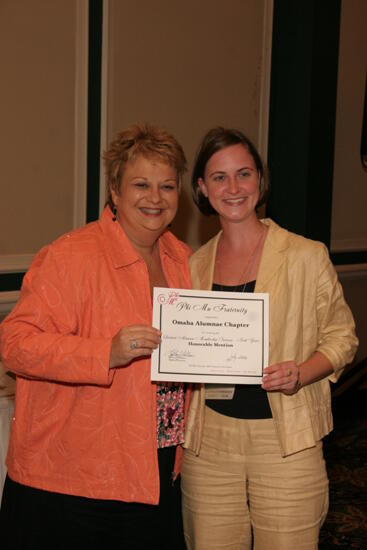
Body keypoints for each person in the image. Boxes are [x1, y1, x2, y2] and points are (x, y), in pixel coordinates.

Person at [0, 123, 191, 549]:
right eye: (141, 184)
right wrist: (104, 351)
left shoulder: (184, 261)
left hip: (157, 467)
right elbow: (14, 343)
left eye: (167, 186)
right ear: (115, 190)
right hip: (76, 479)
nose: (155, 198)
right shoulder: (71, 256)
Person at [181, 127, 358, 550]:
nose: (234, 187)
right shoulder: (192, 266)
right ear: (203, 188)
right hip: (210, 444)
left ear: (260, 178)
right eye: (219, 177)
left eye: (244, 173)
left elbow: (343, 338)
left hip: (286, 440)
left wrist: (301, 372)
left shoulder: (305, 255)